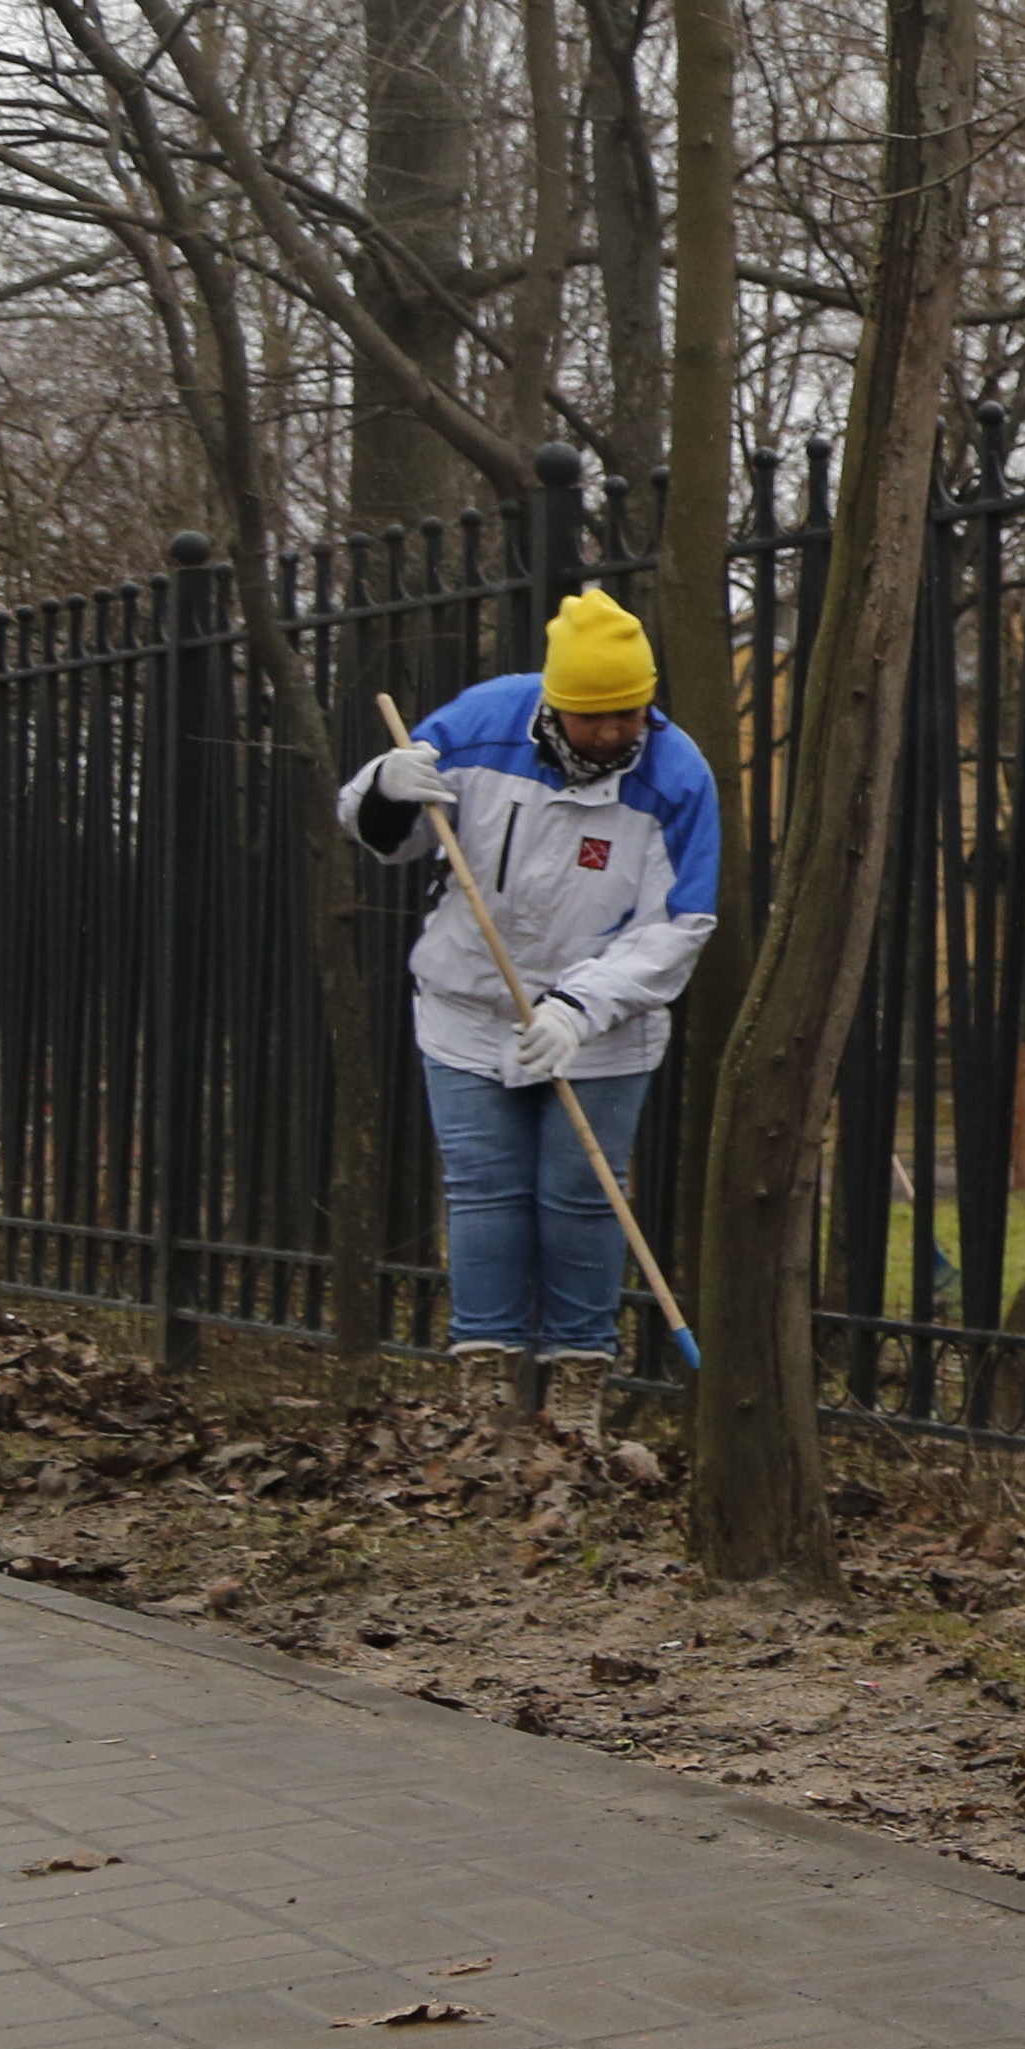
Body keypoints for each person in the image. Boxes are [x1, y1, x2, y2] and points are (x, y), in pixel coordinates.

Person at [339, 587, 720, 1433]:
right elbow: (392, 839)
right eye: (598, 719)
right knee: (483, 1192)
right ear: (557, 706)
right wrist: (384, 789)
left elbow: (680, 924)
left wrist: (577, 1010)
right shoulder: (481, 723)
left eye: (632, 713)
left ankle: (578, 1380)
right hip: (467, 1007)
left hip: (604, 1025)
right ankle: (485, 1381)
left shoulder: (677, 775)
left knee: (581, 1192)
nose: (618, 732)